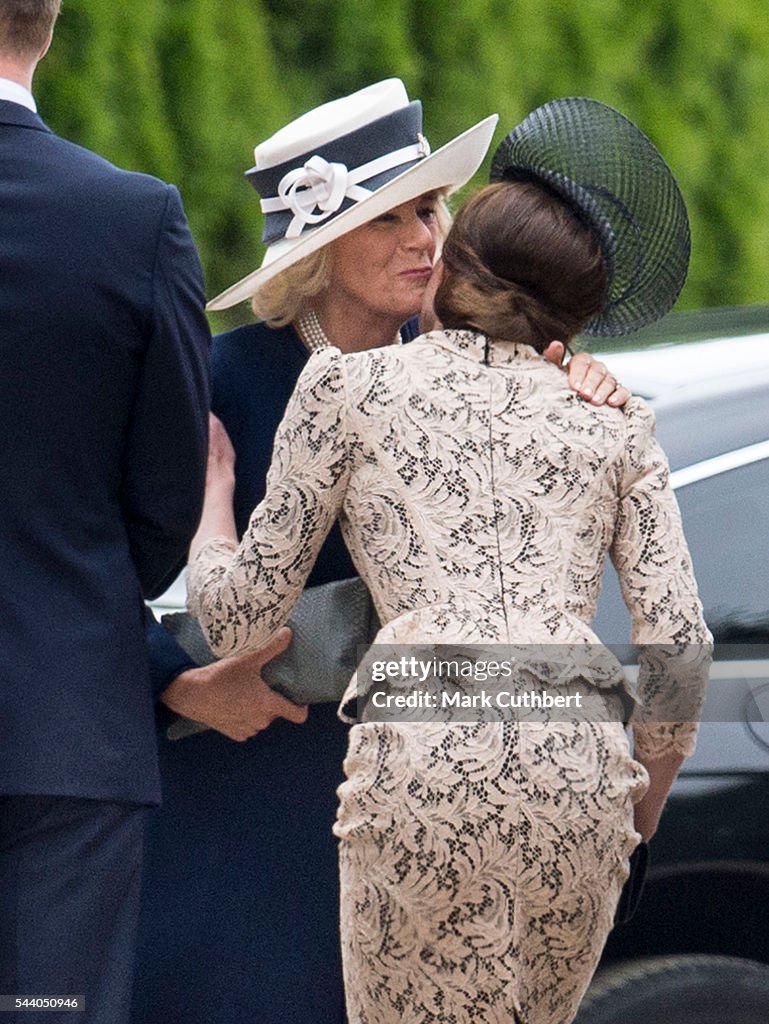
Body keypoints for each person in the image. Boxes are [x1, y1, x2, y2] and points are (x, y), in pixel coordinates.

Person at [186, 96, 711, 1024]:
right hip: (583, 761)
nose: (418, 238)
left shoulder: (347, 388)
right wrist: (641, 810)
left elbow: (234, 619)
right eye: (388, 214)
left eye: (431, 213)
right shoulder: (613, 420)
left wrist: (211, 516)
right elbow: (678, 648)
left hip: (420, 753)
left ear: (458, 257)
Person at [0, 3, 211, 1022]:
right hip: (67, 730)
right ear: (46, 29)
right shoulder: (135, 218)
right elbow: (164, 501)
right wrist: (75, 601)